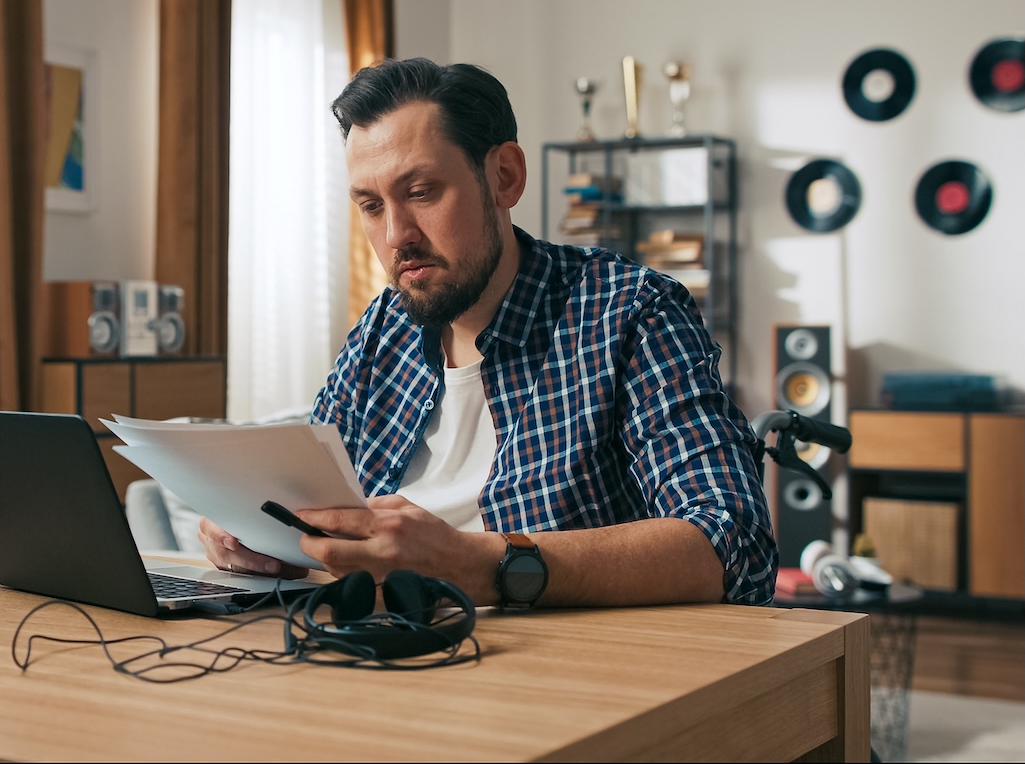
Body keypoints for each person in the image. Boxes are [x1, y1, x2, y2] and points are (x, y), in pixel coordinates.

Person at [200, 57, 776, 608]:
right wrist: (254, 528)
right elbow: (314, 503)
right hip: (383, 653)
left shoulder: (628, 313)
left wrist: (484, 565)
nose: (397, 234)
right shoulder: (382, 331)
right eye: (371, 205)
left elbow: (733, 544)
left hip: (561, 679)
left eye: (421, 192)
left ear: (504, 177)